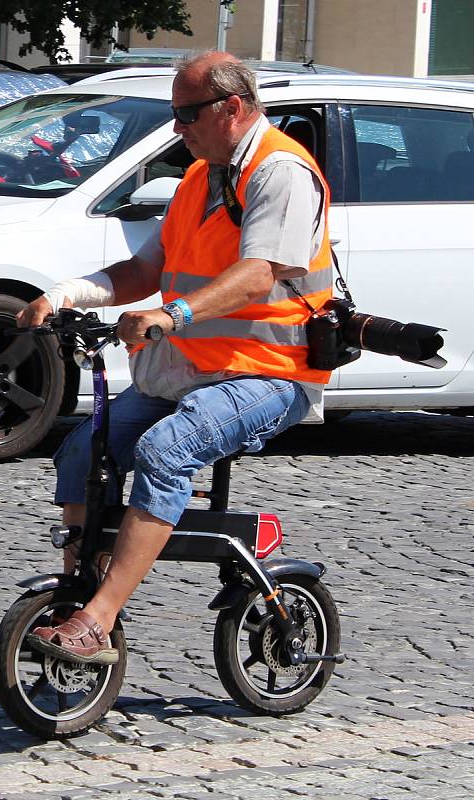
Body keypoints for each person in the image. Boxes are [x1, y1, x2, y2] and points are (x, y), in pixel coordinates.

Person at [16, 51, 333, 665]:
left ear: (232, 108)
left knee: (167, 450)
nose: (176, 127)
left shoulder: (282, 172)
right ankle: (84, 587)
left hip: (266, 372)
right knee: (82, 450)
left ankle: (99, 619)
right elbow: (145, 270)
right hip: (188, 370)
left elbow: (260, 271)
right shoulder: (196, 179)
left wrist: (175, 314)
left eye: (186, 114)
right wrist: (66, 294)